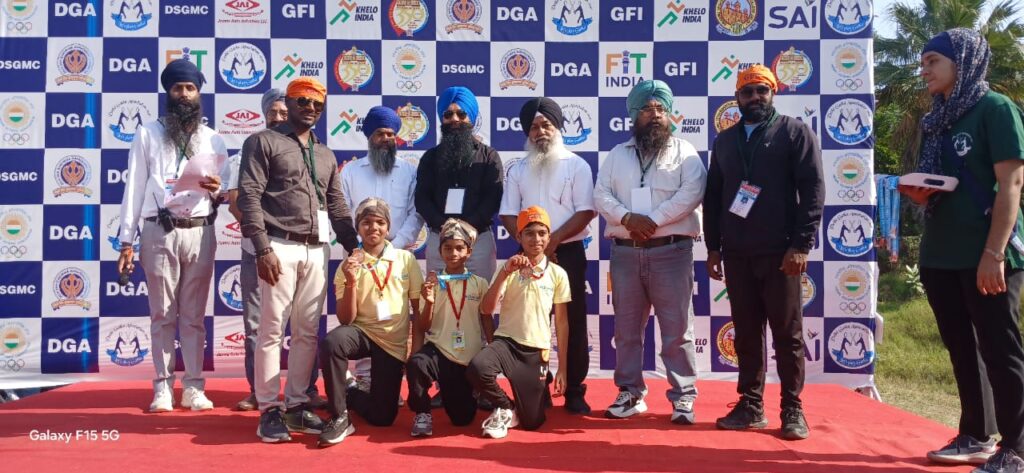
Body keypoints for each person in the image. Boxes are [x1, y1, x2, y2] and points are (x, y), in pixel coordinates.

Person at [900, 29, 1024, 473]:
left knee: (1000, 349)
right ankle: (976, 434)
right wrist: (921, 193)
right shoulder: (937, 118)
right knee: (962, 349)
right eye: (922, 62)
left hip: (986, 252)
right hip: (940, 252)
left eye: (933, 61)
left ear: (963, 61)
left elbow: (1011, 184)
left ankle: (1017, 447)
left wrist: (994, 254)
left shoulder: (996, 108)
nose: (924, 70)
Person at [703, 64, 824, 440]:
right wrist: (712, 247)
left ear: (773, 93)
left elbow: (813, 190)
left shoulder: (794, 132)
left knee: (788, 334)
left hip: (780, 252)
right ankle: (751, 405)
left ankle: (792, 408)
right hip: (737, 253)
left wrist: (800, 245)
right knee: (746, 333)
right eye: (747, 92)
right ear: (736, 98)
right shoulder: (725, 141)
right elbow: (713, 197)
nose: (755, 97)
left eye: (762, 90)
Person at [238, 77, 360, 443]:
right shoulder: (263, 141)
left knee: (307, 331)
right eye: (303, 101)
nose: (310, 109)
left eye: (317, 105)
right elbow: (249, 196)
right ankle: (268, 409)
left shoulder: (325, 153)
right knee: (271, 330)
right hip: (278, 245)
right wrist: (262, 248)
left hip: (317, 249)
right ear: (288, 103)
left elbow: (336, 205)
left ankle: (295, 405)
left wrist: (353, 246)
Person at [116, 59, 228, 413]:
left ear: (199, 93)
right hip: (159, 231)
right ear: (168, 92)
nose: (184, 94)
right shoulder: (147, 133)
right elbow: (134, 188)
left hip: (200, 231)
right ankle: (162, 387)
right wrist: (126, 241)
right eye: (178, 88)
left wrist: (217, 188)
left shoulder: (213, 138)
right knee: (162, 314)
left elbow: (222, 191)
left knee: (193, 316)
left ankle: (194, 386)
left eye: (190, 88)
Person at [593, 80, 707, 425]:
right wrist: (628, 218)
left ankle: (683, 396)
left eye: (660, 108)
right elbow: (600, 195)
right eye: (646, 108)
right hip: (626, 253)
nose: (654, 114)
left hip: (671, 252)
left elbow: (692, 192)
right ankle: (630, 392)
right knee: (626, 330)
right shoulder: (617, 155)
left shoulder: (685, 152)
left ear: (669, 113)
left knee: (678, 330)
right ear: (634, 115)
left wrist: (652, 220)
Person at [221, 88, 324, 411]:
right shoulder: (247, 151)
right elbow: (239, 202)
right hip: (260, 249)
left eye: (283, 112)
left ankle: (303, 393)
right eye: (274, 112)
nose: (279, 117)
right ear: (265, 115)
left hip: (303, 249)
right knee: (262, 327)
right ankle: (261, 395)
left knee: (305, 327)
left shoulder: (313, 152)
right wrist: (266, 242)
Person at [500, 97, 596, 415]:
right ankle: (536, 386)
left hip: (567, 253)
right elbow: (508, 213)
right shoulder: (518, 169)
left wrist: (552, 241)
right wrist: (530, 244)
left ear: (558, 127)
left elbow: (586, 211)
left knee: (574, 322)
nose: (540, 131)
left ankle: (575, 390)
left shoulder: (577, 165)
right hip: (528, 255)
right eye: (533, 127)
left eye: (546, 125)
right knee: (529, 323)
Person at [318, 198, 424, 447]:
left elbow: (418, 310)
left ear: (388, 227)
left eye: (380, 222)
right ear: (358, 227)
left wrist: (416, 349)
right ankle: (339, 415)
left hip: (392, 343)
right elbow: (346, 319)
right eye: (366, 222)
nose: (373, 228)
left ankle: (350, 392)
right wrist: (351, 281)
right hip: (361, 333)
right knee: (333, 342)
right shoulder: (348, 264)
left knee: (382, 418)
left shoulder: (405, 259)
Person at [340, 105, 425, 395]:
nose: (386, 139)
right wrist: (361, 248)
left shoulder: (409, 172)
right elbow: (342, 212)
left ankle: (391, 379)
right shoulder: (351, 171)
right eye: (380, 133)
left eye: (391, 134)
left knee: (395, 317)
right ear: (369, 136)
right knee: (363, 314)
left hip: (396, 258)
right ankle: (364, 378)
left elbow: (415, 213)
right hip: (359, 256)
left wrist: (392, 248)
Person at [466, 206, 570, 439]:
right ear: (518, 236)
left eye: (542, 233)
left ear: (549, 237)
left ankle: (536, 392)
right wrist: (505, 272)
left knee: (532, 422)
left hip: (535, 351)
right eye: (529, 233)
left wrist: (562, 368)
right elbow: (486, 309)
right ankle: (505, 407)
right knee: (478, 368)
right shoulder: (508, 268)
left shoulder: (558, 274)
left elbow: (562, 324)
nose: (536, 239)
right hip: (506, 343)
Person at [406, 218, 494, 437]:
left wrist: (494, 350)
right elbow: (424, 326)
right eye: (447, 248)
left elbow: (486, 319)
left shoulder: (480, 283)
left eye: (459, 248)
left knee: (462, 420)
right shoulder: (432, 283)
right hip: (439, 351)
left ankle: (467, 391)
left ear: (469, 252)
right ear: (440, 251)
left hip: (467, 357)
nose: (453, 253)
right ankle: (422, 413)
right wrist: (429, 301)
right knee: (417, 363)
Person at [415, 86, 503, 280]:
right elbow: (422, 199)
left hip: (477, 240)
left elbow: (493, 197)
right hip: (440, 240)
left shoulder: (489, 156)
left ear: (471, 117)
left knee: (481, 296)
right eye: (448, 114)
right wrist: (446, 226)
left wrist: (465, 228)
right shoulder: (430, 157)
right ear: (442, 119)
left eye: (461, 114)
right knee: (438, 295)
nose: (454, 119)